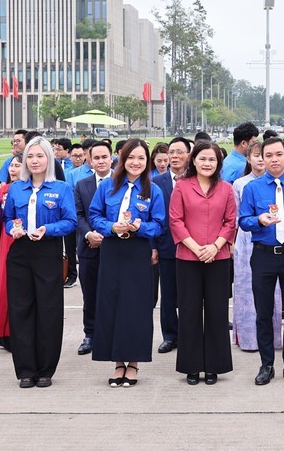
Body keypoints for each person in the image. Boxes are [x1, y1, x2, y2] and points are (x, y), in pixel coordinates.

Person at [88, 138, 166, 387]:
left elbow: (160, 224)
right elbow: (94, 214)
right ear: (122, 159)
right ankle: (117, 362)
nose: (136, 162)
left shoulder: (153, 190)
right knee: (111, 305)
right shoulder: (108, 186)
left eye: (141, 158)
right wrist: (110, 226)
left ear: (148, 161)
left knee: (135, 308)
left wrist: (141, 226)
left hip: (137, 251)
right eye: (131, 157)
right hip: (112, 250)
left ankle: (133, 362)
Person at [3, 137, 78, 388]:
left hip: (47, 250)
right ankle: (25, 369)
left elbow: (71, 222)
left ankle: (45, 369)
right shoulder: (16, 188)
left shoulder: (61, 188)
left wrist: (49, 228)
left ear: (49, 159)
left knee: (48, 311)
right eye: (30, 157)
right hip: (20, 253)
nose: (35, 161)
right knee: (21, 310)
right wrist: (12, 229)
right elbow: (8, 218)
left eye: (40, 156)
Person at [239, 137, 284, 386]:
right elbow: (243, 220)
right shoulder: (253, 188)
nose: (273, 159)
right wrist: (259, 220)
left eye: (278, 154)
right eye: (268, 155)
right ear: (261, 158)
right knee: (264, 313)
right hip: (263, 256)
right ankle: (266, 364)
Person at [170, 141, 237, 385]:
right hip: (188, 257)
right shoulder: (181, 187)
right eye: (203, 159)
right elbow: (176, 220)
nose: (207, 163)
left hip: (217, 258)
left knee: (217, 312)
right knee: (188, 311)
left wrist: (215, 246)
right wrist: (196, 248)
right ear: (193, 161)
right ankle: (191, 365)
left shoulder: (226, 189)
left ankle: (214, 366)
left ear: (218, 163)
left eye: (212, 159)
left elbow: (231, 222)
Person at [231, 142, 283, 352]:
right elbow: (236, 218)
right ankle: (248, 339)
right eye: (257, 155)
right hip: (246, 243)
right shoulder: (240, 184)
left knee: (274, 292)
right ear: (249, 158)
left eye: (265, 155)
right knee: (246, 291)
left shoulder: (278, 183)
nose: (261, 160)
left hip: (272, 241)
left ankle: (273, 339)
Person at [72, 141, 114, 355]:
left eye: (104, 157)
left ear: (112, 158)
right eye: (96, 158)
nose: (100, 161)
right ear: (89, 160)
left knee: (114, 294)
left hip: (116, 247)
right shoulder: (82, 185)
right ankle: (90, 333)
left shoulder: (122, 183)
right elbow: (77, 215)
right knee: (90, 294)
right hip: (89, 247)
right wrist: (89, 233)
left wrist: (107, 236)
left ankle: (112, 333)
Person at [151, 137, 191, 355]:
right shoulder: (157, 182)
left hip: (193, 247)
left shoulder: (196, 180)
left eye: (179, 152)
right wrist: (153, 246)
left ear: (188, 155)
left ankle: (188, 334)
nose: (174, 157)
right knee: (167, 294)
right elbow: (151, 216)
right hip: (166, 245)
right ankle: (170, 335)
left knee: (190, 294)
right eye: (171, 153)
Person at [0, 154, 22, 350]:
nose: (13, 169)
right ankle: (4, 333)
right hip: (5, 241)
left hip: (24, 240)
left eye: (18, 165)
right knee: (3, 288)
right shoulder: (2, 191)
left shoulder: (29, 190)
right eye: (11, 165)